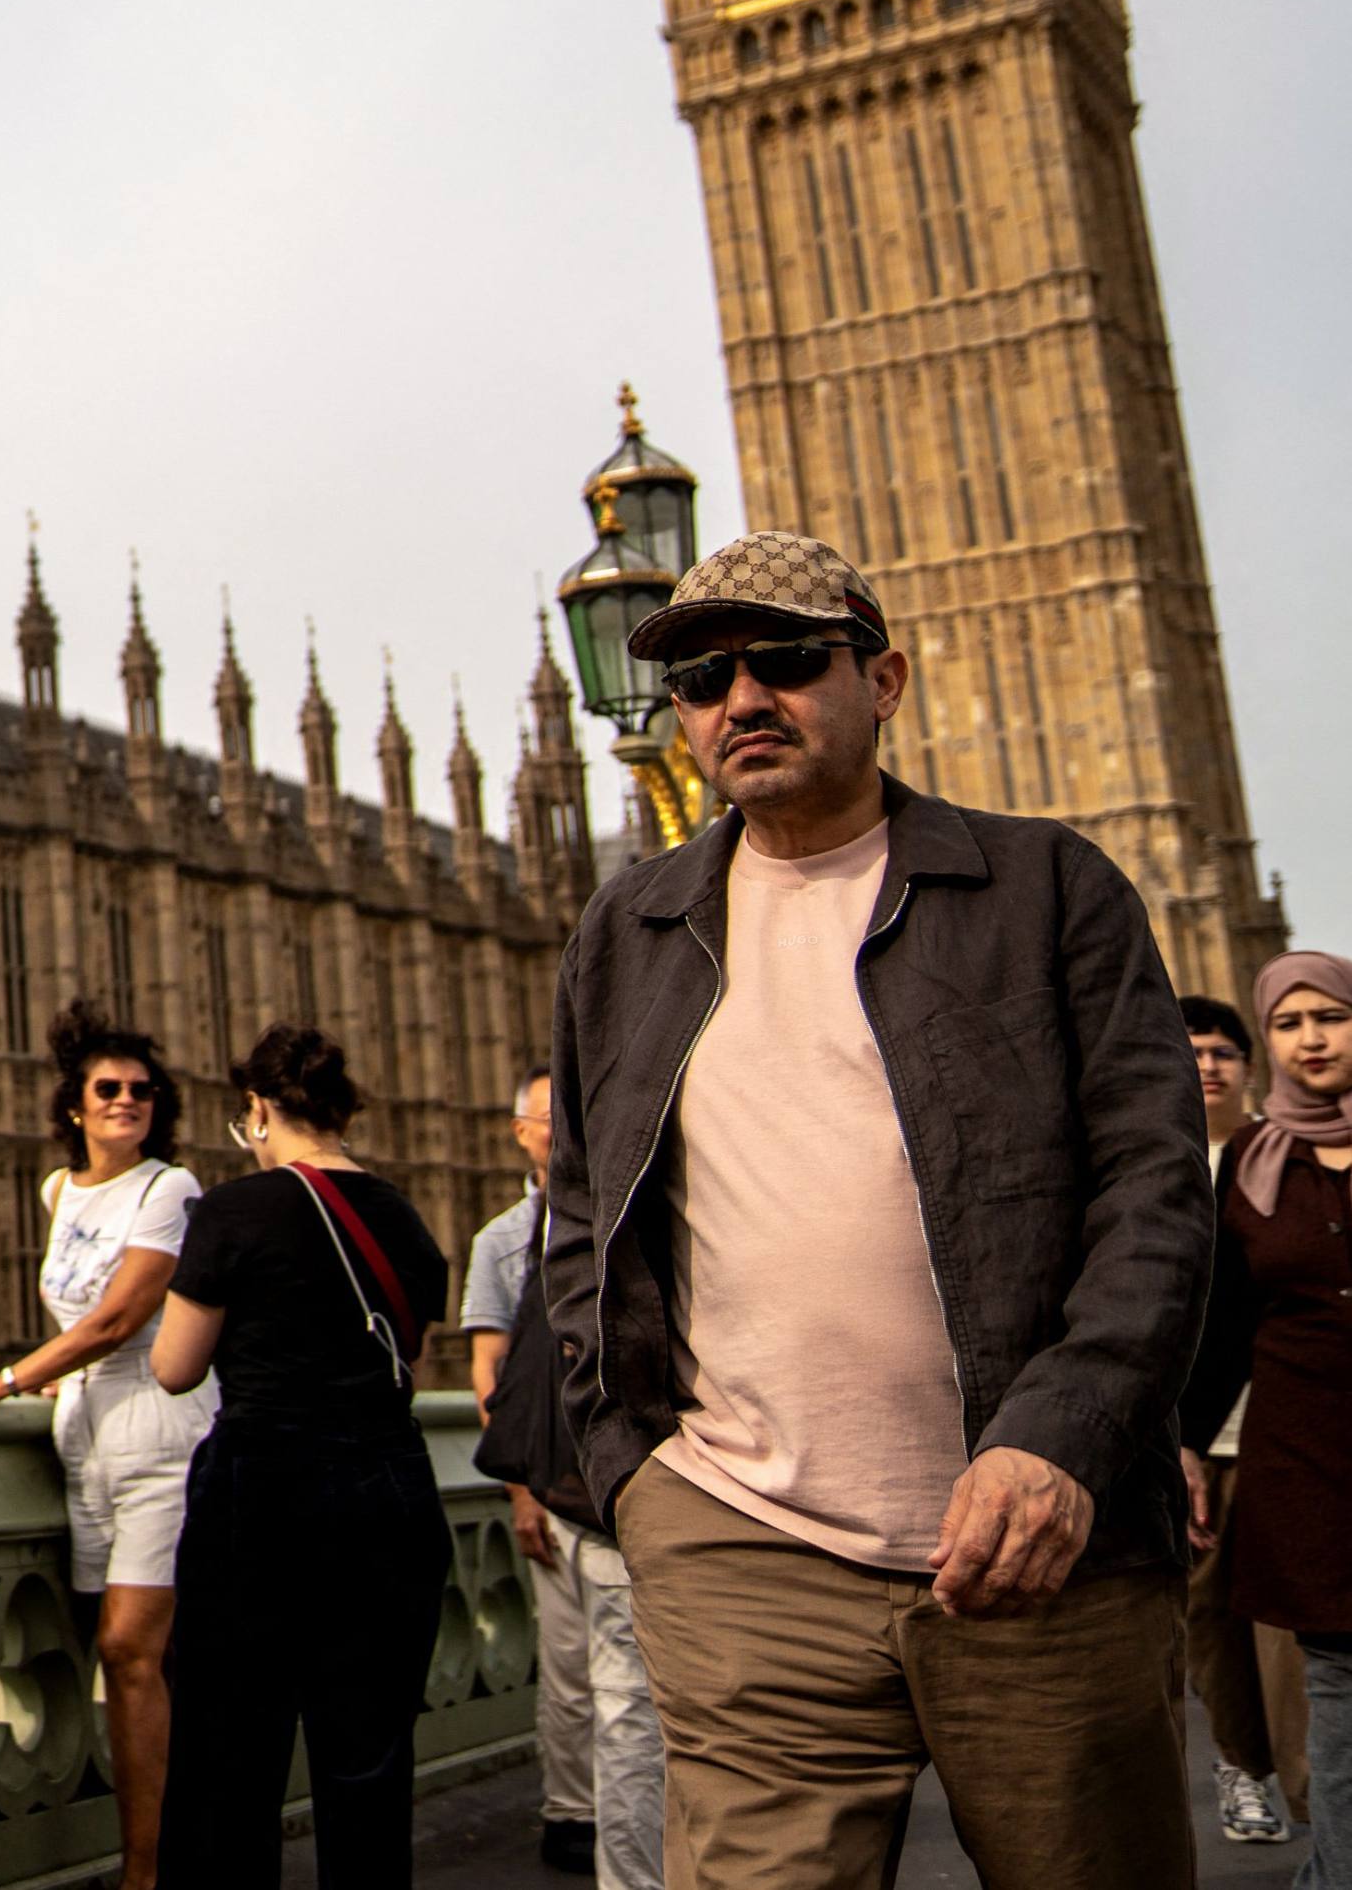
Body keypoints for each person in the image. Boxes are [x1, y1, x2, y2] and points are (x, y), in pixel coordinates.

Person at [540, 531, 1210, 1890]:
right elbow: (578, 1210)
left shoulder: (1043, 888)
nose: (738, 699)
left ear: (881, 676)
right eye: (696, 679)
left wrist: (1061, 1440)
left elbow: (1151, 1195)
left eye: (783, 661)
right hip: (738, 1548)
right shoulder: (629, 927)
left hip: (1040, 1545)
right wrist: (637, 1472)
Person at [143, 1022, 452, 1889]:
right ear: (341, 1113)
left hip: (263, 1497)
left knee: (227, 1761)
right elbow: (409, 1364)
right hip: (390, 1491)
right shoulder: (404, 1217)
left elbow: (174, 1368)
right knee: (367, 1761)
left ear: (256, 1111)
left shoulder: (236, 1208)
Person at [0, 1000, 211, 1890]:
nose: (127, 1101)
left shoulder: (172, 1189)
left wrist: (2, 1380)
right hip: (80, 1435)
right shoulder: (58, 1190)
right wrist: (40, 1383)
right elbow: (78, 1317)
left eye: (142, 1091)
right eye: (108, 1089)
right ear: (74, 1107)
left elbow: (117, 1318)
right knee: (124, 1659)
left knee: (130, 1648)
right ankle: (160, 1849)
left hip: (159, 1431)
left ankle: (147, 1871)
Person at [465, 1065, 660, 1890]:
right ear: (521, 1132)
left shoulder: (620, 1211)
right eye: (548, 1118)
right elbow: (492, 1382)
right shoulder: (505, 1239)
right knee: (585, 1679)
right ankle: (577, 1819)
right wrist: (519, 1491)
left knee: (619, 1687)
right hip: (561, 1488)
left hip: (619, 1488)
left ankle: (603, 1834)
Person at [1183, 950, 1352, 1889]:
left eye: (1329, 1017)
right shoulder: (1253, 1157)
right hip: (1306, 1462)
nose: (1311, 1039)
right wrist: (1184, 1441)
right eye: (1288, 1024)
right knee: (1332, 1693)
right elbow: (1225, 1317)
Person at [1180, 989, 1305, 1843]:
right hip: (1193, 1431)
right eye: (1192, 1051)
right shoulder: (1153, 1163)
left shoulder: (1285, 1158)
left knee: (1295, 1630)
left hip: (1283, 1428)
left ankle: (1308, 1791)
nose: (1208, 1065)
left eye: (1223, 1050)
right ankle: (1240, 1765)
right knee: (1207, 1613)